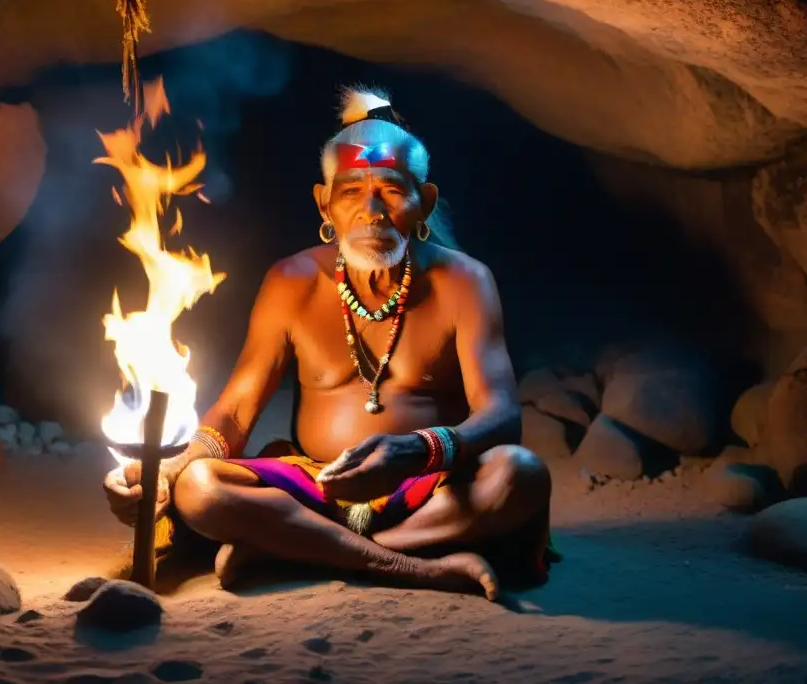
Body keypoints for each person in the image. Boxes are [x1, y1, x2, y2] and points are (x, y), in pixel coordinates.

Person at [104, 86, 555, 600]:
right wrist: (169, 469)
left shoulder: (465, 282)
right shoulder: (291, 281)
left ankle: (291, 548)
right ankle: (412, 565)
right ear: (325, 203)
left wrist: (418, 449)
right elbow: (234, 415)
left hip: (427, 486)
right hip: (319, 484)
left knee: (519, 473)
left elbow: (501, 416)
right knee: (200, 489)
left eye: (390, 190)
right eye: (350, 192)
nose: (371, 211)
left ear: (423, 201)